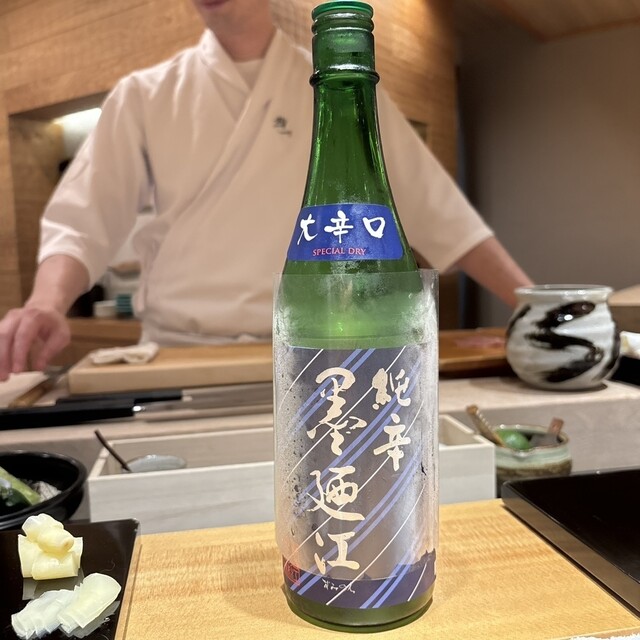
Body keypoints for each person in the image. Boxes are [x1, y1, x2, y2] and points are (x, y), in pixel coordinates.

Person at [0, 0, 532, 382]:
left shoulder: (336, 83)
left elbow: (440, 212)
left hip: (315, 353)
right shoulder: (144, 95)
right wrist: (46, 303)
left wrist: (535, 304)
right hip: (179, 359)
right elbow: (83, 220)